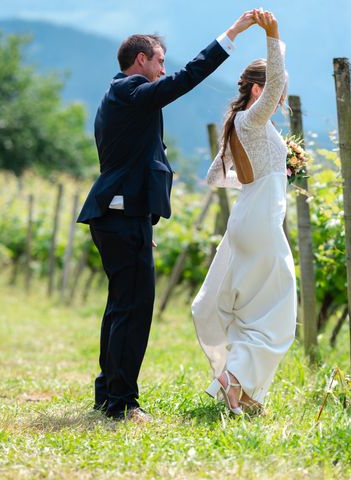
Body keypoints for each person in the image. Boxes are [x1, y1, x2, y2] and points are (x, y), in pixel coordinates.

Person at [77, 10, 260, 422]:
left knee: (121, 307)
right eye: (159, 60)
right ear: (140, 60)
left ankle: (109, 395)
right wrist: (230, 36)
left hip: (122, 216)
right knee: (134, 309)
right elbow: (186, 79)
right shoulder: (131, 91)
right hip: (119, 216)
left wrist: (142, 219)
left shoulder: (121, 97)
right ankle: (122, 404)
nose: (163, 69)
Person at [192, 10, 296, 416]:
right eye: (277, 87)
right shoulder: (254, 118)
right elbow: (271, 94)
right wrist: (274, 37)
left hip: (250, 215)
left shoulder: (241, 123)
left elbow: (230, 174)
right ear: (259, 91)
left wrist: (275, 173)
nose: (281, 95)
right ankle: (235, 380)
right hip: (260, 223)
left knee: (255, 309)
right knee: (279, 315)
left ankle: (246, 394)